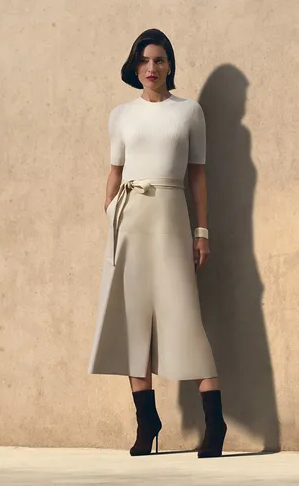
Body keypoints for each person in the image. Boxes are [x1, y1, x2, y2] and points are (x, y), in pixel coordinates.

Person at [87, 28, 228, 458]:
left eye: (160, 60)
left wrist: (201, 231)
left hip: (170, 215)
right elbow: (115, 170)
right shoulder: (120, 115)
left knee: (185, 317)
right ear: (134, 66)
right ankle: (147, 423)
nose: (152, 68)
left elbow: (197, 176)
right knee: (132, 323)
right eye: (145, 61)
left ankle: (215, 423)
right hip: (128, 220)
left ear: (170, 65)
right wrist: (110, 212)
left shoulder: (189, 112)